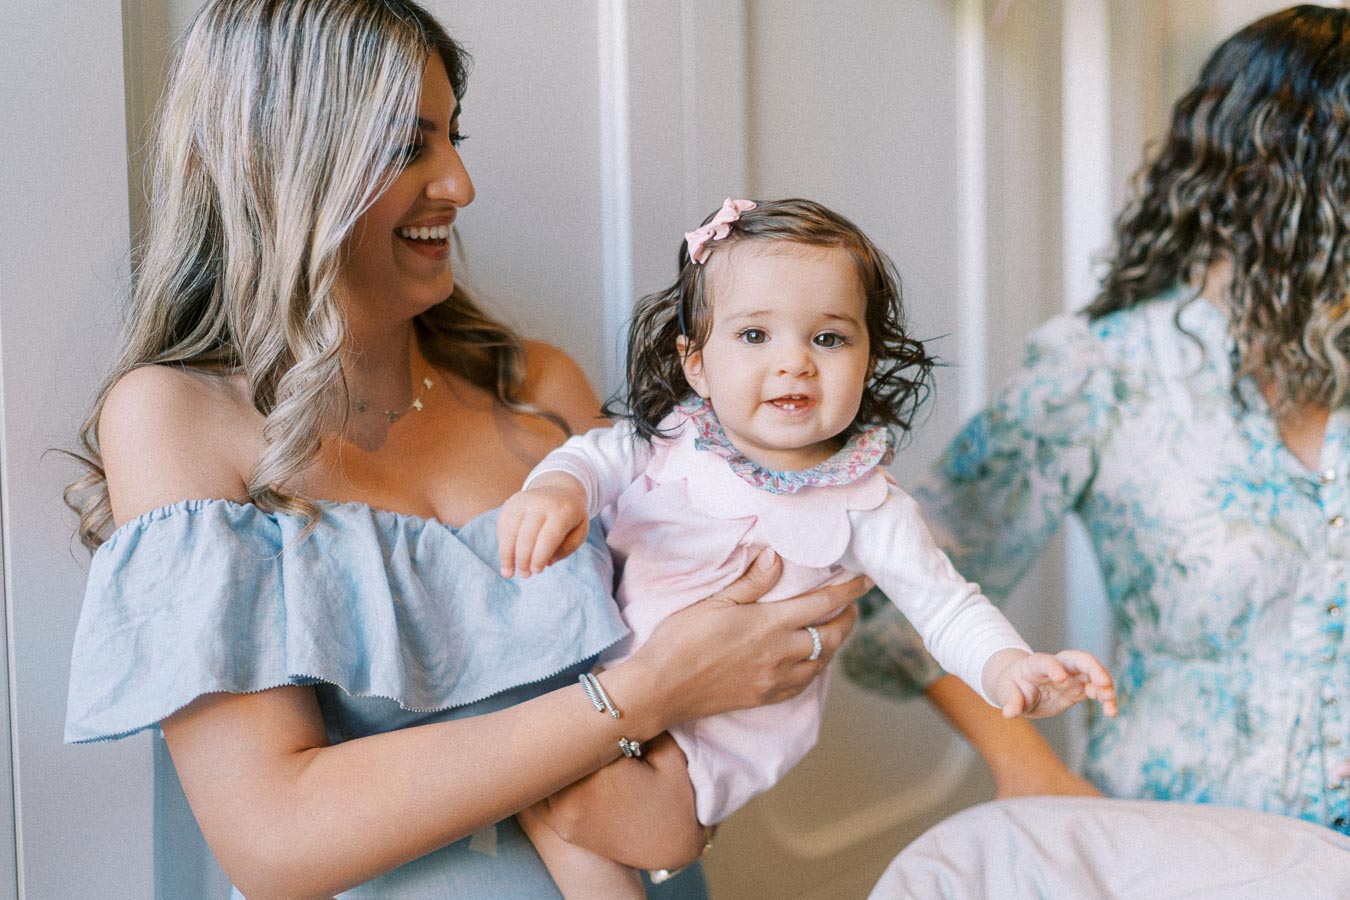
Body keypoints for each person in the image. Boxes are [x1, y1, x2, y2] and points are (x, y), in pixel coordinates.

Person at [60, 2, 871, 897]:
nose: (459, 184)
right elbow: (273, 839)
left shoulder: (541, 391)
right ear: (277, 162)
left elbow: (723, 631)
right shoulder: (176, 418)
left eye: (452, 137)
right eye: (409, 146)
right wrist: (654, 692)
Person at [496, 197, 1118, 896]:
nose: (794, 362)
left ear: (869, 357)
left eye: (828, 339)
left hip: (712, 745)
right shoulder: (669, 441)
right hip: (608, 688)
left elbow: (943, 606)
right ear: (696, 363)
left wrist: (1010, 668)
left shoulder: (867, 502)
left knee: (545, 795)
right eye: (755, 335)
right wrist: (556, 494)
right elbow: (588, 458)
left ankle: (672, 820)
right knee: (546, 799)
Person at [843, 2, 1350, 834]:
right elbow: (885, 596)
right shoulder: (1103, 372)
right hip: (1180, 850)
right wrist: (1024, 764)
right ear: (1286, 177)